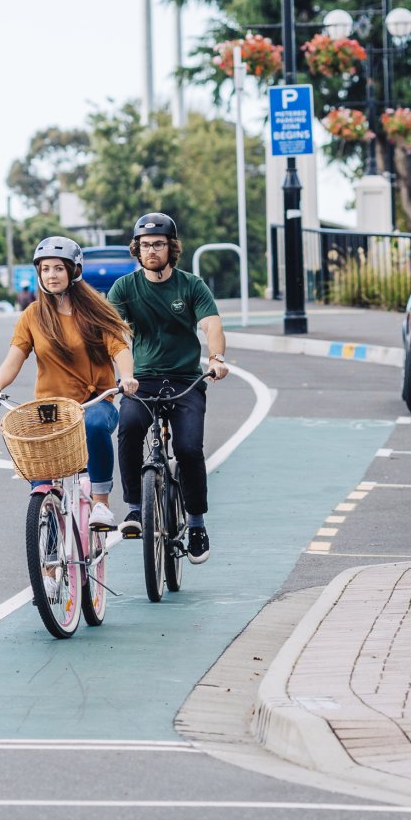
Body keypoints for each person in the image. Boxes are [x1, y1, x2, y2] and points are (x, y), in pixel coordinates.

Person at [0, 236, 137, 532]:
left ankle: (101, 502)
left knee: (92, 424)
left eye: (58, 269)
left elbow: (119, 348)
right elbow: (14, 358)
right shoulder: (33, 315)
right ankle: (49, 567)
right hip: (50, 409)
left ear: (73, 271)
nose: (51, 275)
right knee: (40, 478)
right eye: (45, 269)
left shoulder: (94, 311)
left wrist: (127, 377)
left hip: (94, 402)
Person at [107, 212, 228, 564]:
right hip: (141, 380)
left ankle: (196, 524)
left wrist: (216, 358)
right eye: (145, 246)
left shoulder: (191, 286)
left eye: (158, 244)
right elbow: (116, 336)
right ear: (137, 250)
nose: (151, 251)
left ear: (171, 248)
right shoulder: (125, 288)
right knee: (128, 428)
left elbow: (211, 325)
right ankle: (133, 508)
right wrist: (123, 373)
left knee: (189, 449)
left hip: (185, 380)